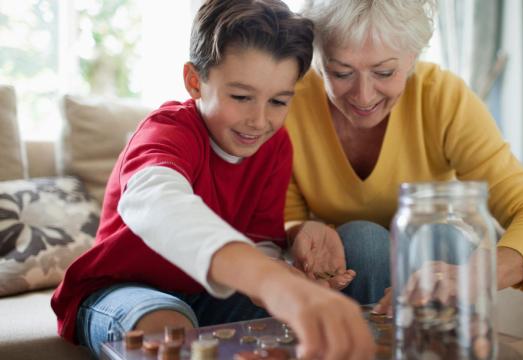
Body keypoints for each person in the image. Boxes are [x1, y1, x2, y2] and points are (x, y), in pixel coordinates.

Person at [51, 1, 375, 359]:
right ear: (195, 82)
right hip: (123, 289)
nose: (259, 120)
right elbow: (159, 204)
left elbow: (260, 241)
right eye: (240, 97)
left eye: (279, 101)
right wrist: (268, 281)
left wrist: (281, 271)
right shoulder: (168, 131)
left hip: (209, 295)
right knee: (168, 327)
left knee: (304, 316)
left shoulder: (275, 147)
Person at [284, 0, 523, 312]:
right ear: (318, 61)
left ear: (412, 57)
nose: (364, 96)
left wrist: (476, 276)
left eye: (385, 71)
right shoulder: (290, 100)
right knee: (364, 241)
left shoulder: (442, 97)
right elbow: (288, 216)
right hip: (350, 259)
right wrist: (300, 230)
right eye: (341, 72)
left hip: (434, 251)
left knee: (439, 235)